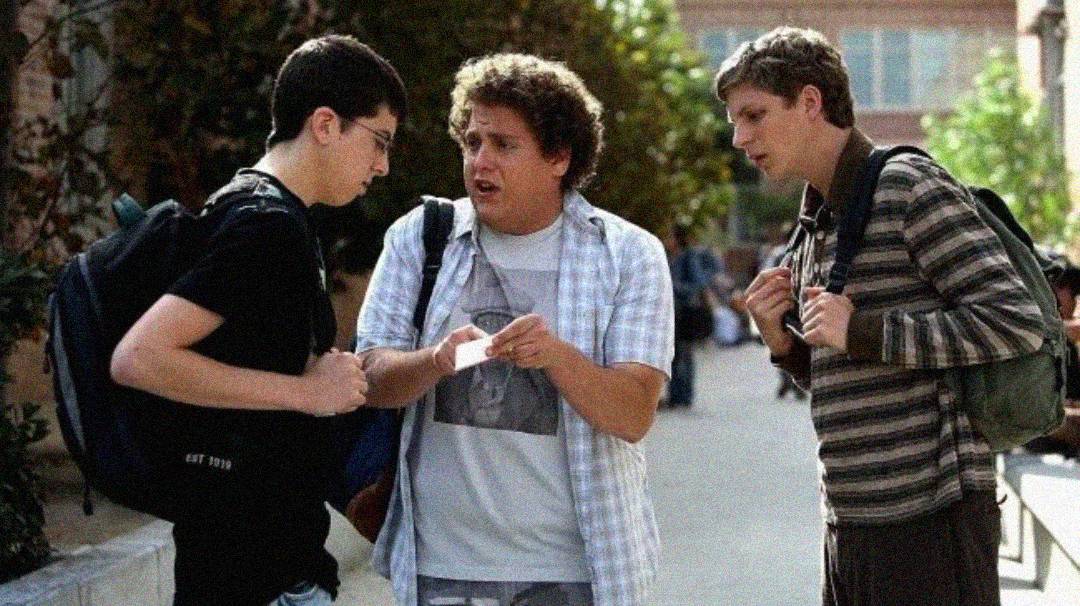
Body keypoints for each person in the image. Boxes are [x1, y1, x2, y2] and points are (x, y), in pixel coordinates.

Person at [722, 27, 1046, 606]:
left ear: (810, 102)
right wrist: (784, 343)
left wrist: (863, 329)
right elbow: (849, 374)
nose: (740, 138)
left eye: (754, 115)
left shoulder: (905, 186)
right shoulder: (817, 222)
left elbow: (1013, 320)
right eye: (734, 121)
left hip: (932, 522)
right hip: (851, 523)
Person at [355, 53, 672, 606]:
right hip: (442, 565)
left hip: (573, 569)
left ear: (558, 158)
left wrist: (556, 356)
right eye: (472, 142)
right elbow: (372, 378)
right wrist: (434, 362)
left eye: (504, 145)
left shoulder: (628, 256)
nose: (481, 162)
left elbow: (632, 414)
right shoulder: (419, 238)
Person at [109, 35, 406, 606]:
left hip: (248, 563)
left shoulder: (261, 212)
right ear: (324, 124)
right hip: (257, 576)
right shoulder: (266, 226)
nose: (382, 165)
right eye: (378, 141)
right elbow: (139, 358)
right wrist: (305, 391)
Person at [663, 223, 719, 407]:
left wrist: (674, 287)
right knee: (673, 353)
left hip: (685, 310)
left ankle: (684, 395)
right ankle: (675, 395)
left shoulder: (688, 257)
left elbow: (698, 282)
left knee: (684, 353)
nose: (666, 240)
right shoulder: (668, 257)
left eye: (669, 236)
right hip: (671, 311)